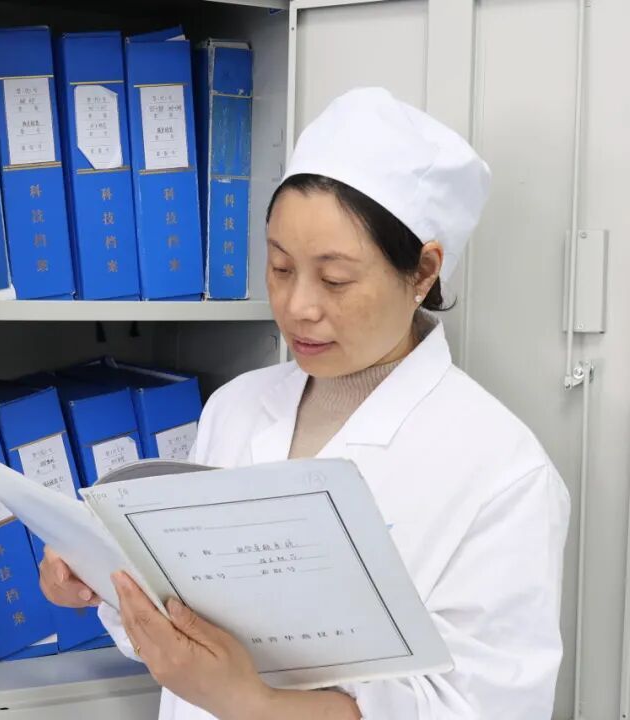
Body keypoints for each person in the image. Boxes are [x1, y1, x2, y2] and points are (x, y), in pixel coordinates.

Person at [37, 87, 570, 719]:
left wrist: (249, 701)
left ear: (424, 271)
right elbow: (178, 613)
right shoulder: (235, 408)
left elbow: (480, 709)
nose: (297, 307)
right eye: (281, 267)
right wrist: (101, 576)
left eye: (335, 279)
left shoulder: (502, 472)